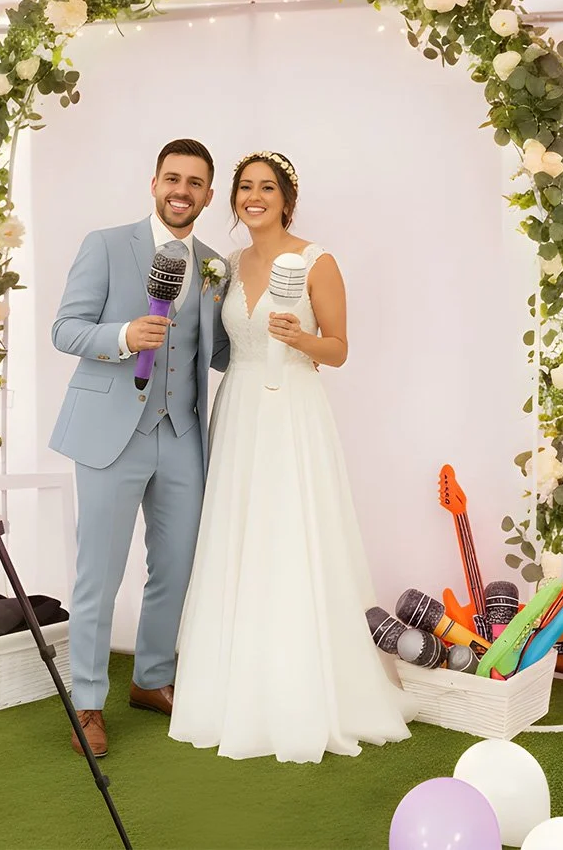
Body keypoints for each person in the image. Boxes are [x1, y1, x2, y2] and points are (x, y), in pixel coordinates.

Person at [169, 150, 415, 763]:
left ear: (286, 199)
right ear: (233, 200)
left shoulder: (316, 260)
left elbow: (339, 349)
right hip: (240, 408)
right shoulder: (223, 266)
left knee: (294, 537)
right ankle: (235, 686)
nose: (255, 197)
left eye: (267, 188)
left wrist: (298, 338)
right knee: (240, 536)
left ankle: (309, 689)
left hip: (295, 410)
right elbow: (218, 344)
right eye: (245, 188)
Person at [50, 138, 229, 757]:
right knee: (98, 573)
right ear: (154, 183)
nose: (183, 190)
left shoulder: (215, 265)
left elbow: (219, 349)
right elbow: (65, 329)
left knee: (176, 568)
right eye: (172, 178)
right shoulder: (105, 244)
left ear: (208, 194)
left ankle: (152, 679)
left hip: (181, 436)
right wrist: (124, 334)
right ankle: (88, 703)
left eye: (196, 182)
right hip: (109, 435)